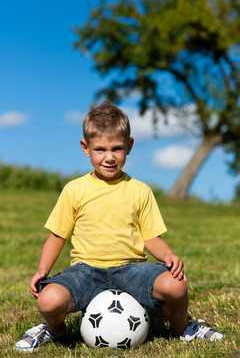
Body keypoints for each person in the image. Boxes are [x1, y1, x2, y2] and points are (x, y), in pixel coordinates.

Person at [14, 102, 224, 352]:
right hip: (86, 272)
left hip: (131, 271)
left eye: (117, 148)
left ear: (130, 146)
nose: (109, 157)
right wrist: (42, 269)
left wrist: (168, 255)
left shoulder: (140, 191)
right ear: (85, 148)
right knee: (49, 301)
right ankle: (54, 331)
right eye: (100, 149)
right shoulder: (74, 190)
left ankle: (182, 329)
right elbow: (57, 236)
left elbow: (151, 237)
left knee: (176, 285)